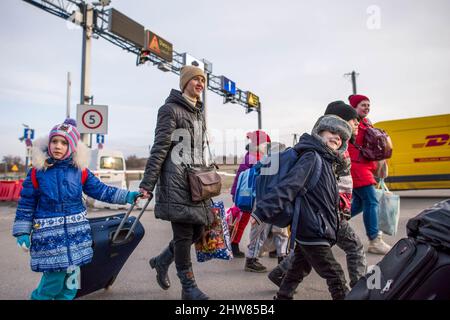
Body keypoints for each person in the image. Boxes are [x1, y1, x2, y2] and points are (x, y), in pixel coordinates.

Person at [12, 118, 140, 300]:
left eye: (64, 142)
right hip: (50, 239)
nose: (58, 146)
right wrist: (22, 232)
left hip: (77, 238)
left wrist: (127, 196)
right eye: (54, 141)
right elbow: (26, 204)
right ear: (48, 144)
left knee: (71, 286)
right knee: (52, 284)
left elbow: (102, 190)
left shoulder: (81, 172)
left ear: (72, 147)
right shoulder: (37, 173)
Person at [267, 101, 367, 289]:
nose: (357, 124)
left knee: (307, 251)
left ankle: (280, 274)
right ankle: (359, 288)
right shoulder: (327, 149)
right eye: (354, 121)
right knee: (354, 246)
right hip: (328, 212)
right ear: (340, 121)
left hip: (326, 213)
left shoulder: (339, 147)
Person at [254, 115, 352, 300]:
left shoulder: (328, 162)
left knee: (297, 270)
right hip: (312, 228)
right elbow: (290, 186)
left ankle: (283, 296)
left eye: (341, 137)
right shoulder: (312, 157)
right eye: (332, 132)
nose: (337, 138)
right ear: (319, 133)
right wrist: (262, 211)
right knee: (336, 275)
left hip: (316, 227)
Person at [139, 65, 212, 300]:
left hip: (196, 182)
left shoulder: (198, 112)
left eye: (203, 80)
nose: (200, 83)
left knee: (198, 231)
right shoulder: (169, 110)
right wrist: (147, 184)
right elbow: (160, 147)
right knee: (183, 234)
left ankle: (161, 262)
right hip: (176, 181)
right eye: (195, 79)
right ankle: (188, 287)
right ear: (185, 83)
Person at [348, 94, 392, 255]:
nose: (366, 107)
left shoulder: (367, 122)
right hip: (356, 166)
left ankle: (329, 226)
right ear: (354, 107)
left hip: (366, 165)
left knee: (359, 203)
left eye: (368, 105)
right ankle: (375, 241)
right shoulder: (350, 122)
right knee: (372, 201)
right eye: (362, 105)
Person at [229, 130, 271, 259]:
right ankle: (234, 245)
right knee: (243, 220)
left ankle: (235, 244)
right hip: (245, 193)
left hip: (245, 192)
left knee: (246, 219)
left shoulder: (254, 154)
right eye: (266, 144)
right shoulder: (254, 156)